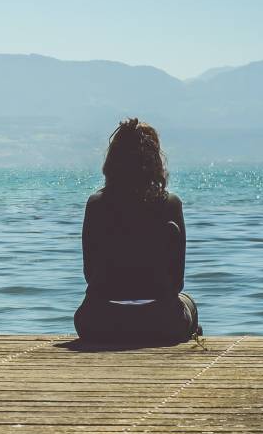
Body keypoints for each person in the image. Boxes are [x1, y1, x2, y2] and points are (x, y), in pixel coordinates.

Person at [74, 117, 200, 345]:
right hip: (162, 321)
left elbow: (89, 274)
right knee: (188, 302)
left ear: (112, 161)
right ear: (155, 162)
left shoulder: (96, 205)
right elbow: (177, 282)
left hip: (100, 321)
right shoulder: (170, 204)